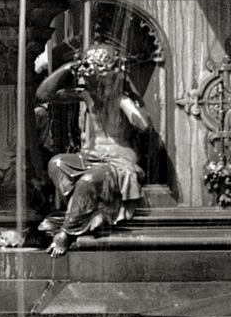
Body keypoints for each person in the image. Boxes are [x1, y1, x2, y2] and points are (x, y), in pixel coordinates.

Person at [36, 42, 153, 256]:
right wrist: (67, 67)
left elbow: (143, 126)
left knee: (88, 180)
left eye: (99, 79)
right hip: (91, 156)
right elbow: (44, 95)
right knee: (57, 164)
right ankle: (83, 212)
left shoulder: (122, 98)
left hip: (118, 161)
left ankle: (67, 233)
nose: (95, 85)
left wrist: (122, 101)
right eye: (91, 79)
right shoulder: (87, 95)